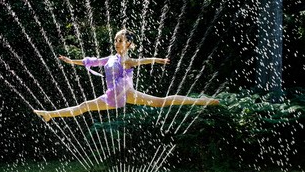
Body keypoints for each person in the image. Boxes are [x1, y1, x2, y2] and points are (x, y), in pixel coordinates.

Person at [34, 29, 219, 122]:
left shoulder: (127, 60)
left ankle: (201, 100)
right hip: (111, 97)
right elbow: (90, 62)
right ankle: (50, 115)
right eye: (116, 40)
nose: (117, 42)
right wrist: (71, 61)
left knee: (161, 101)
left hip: (127, 93)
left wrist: (157, 60)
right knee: (84, 106)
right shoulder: (110, 58)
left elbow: (141, 61)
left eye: (120, 40)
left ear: (128, 43)